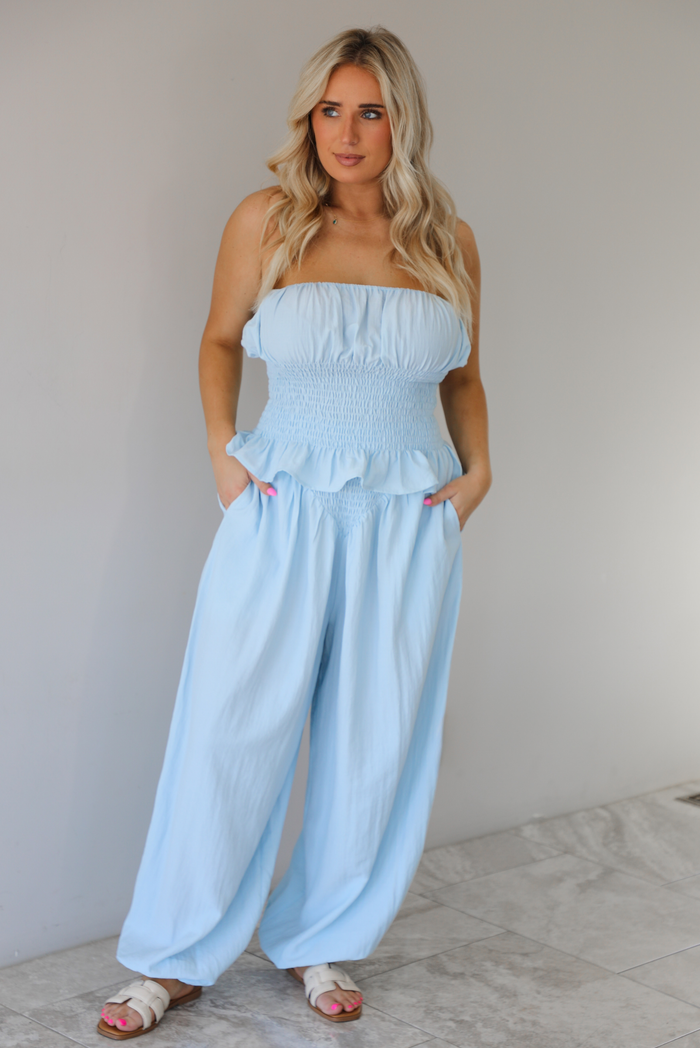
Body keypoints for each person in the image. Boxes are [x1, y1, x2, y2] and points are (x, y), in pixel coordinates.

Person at [97, 24, 491, 1039]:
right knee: (228, 731)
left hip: (406, 521)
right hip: (280, 509)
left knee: (374, 744)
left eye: (370, 112)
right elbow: (219, 338)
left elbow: (461, 375)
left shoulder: (446, 241)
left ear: (402, 122)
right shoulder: (266, 220)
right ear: (308, 117)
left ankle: (320, 937)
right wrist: (226, 458)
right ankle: (173, 957)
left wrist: (478, 472)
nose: (346, 133)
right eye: (330, 110)